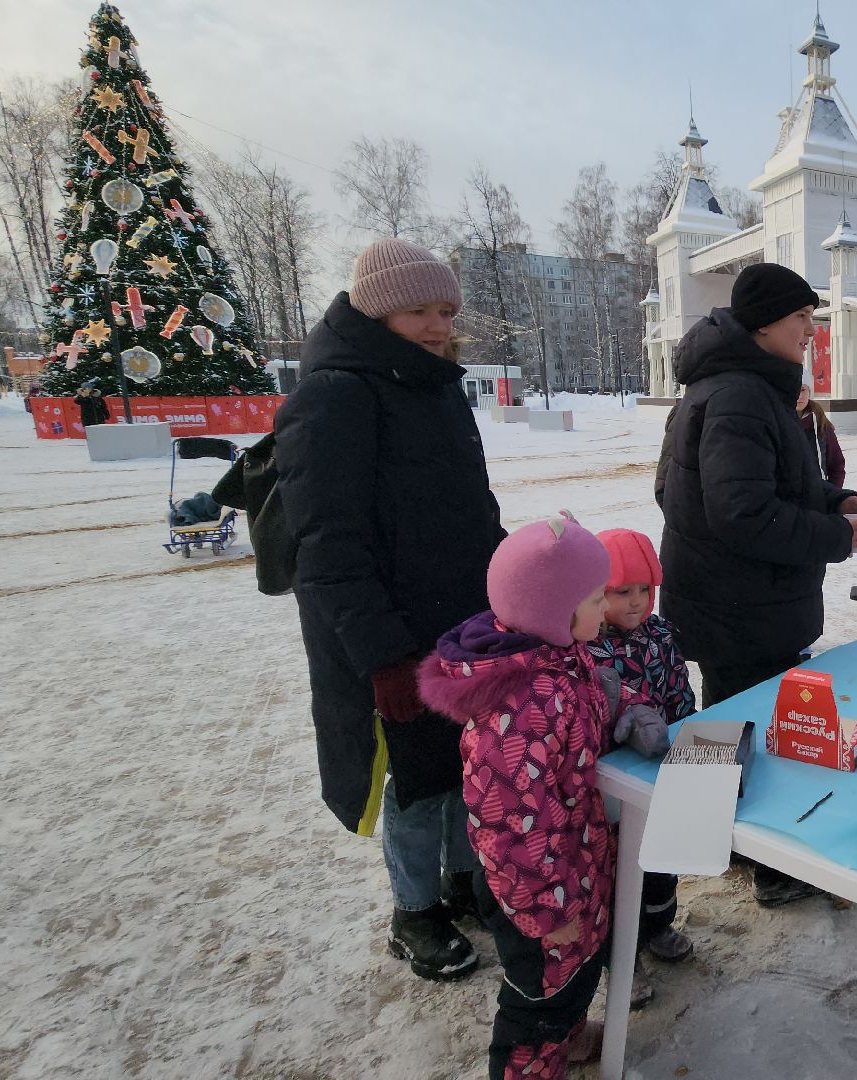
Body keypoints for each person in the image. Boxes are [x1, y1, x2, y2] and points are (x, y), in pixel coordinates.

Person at [275, 237, 508, 982]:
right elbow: (328, 547)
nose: (439, 325)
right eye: (418, 311)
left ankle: (465, 883)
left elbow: (473, 510)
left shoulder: (433, 386)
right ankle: (415, 913)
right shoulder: (334, 395)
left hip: (461, 624)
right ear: (377, 310)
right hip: (395, 633)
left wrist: (513, 584)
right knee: (415, 783)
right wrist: (382, 657)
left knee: (468, 766)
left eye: (445, 310)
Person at [657, 261, 857, 905]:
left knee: (727, 725)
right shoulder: (738, 396)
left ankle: (714, 842)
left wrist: (837, 501)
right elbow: (741, 514)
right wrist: (833, 537)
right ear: (763, 325)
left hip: (738, 601)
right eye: (801, 317)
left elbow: (774, 486)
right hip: (740, 605)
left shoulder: (744, 387)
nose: (811, 329)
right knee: (740, 728)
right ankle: (763, 864)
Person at [419, 514, 654, 1079]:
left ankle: (568, 1038)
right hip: (537, 891)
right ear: (554, 608)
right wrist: (545, 914)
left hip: (575, 858)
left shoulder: (558, 657)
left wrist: (626, 709)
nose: (606, 610)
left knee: (573, 977)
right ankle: (535, 1058)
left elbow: (585, 712)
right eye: (597, 598)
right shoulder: (520, 712)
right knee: (536, 1008)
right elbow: (508, 832)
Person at [588, 527, 698, 1001]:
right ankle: (623, 962)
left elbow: (678, 687)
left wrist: (687, 728)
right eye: (621, 592)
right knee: (620, 868)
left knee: (661, 857)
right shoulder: (588, 648)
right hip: (615, 777)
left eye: (643, 591)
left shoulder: (659, 634)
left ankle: (658, 927)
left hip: (663, 764)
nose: (635, 603)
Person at [796, 381, 846, 487]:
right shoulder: (777, 423)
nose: (799, 395)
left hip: (818, 497)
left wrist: (832, 496)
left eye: (803, 389)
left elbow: (837, 465)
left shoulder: (821, 424)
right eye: (794, 389)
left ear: (810, 392)